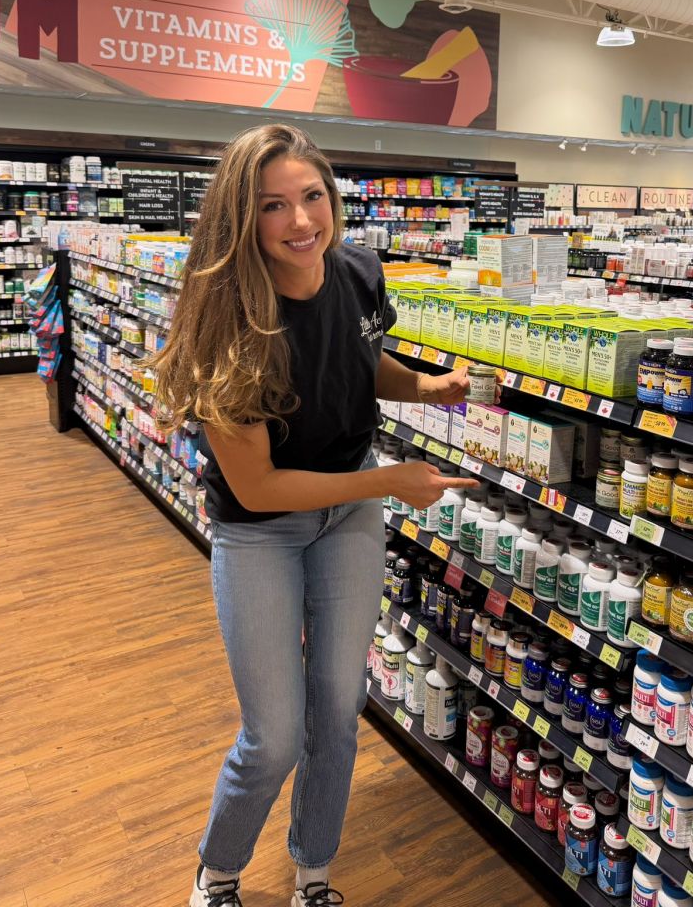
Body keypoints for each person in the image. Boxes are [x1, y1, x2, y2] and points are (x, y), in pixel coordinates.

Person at [151, 124, 479, 907]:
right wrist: (388, 482)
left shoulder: (360, 271)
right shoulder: (227, 325)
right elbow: (260, 488)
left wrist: (424, 388)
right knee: (273, 734)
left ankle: (315, 874)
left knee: (338, 707)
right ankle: (218, 871)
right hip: (262, 530)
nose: (302, 221)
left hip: (349, 515)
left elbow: (365, 358)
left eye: (312, 197)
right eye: (273, 206)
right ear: (240, 218)